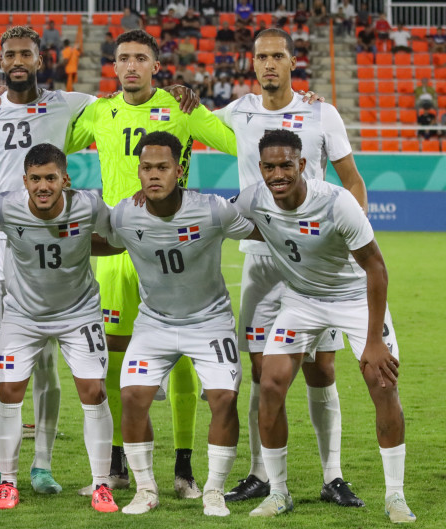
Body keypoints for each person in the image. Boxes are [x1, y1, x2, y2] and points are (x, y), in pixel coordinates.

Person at [65, 28, 238, 499]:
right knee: (116, 357)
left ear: (156, 65)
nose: (132, 66)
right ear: (114, 66)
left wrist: (289, 107)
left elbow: (237, 140)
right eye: (124, 58)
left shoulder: (182, 107)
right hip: (118, 245)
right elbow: (44, 137)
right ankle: (118, 464)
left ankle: (183, 469)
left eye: (141, 57)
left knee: (181, 354)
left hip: (172, 244)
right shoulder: (100, 111)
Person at [214, 28, 369, 507]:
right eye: (261, 57)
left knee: (322, 368)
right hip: (263, 262)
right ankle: (261, 474)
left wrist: (346, 245)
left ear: (292, 61)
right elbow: (181, 121)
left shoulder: (321, 112)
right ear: (252, 62)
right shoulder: (237, 111)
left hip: (315, 264)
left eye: (278, 56)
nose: (269, 64)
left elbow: (352, 182)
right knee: (263, 370)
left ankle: (333, 475)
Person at [233, 129, 416, 524]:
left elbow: (376, 268)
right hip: (301, 301)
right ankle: (279, 493)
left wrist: (373, 342)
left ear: (302, 165)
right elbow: (211, 215)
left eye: (286, 165)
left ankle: (395, 496)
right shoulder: (253, 199)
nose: (277, 174)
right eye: (269, 167)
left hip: (353, 300)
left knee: (382, 382)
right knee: (270, 382)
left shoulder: (337, 203)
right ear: (260, 168)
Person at [0, 26, 99, 495]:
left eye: (26, 54)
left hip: (49, 236)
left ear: (41, 59)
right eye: (10, 53)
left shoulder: (68, 102)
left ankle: (43, 464)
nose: (17, 60)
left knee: (49, 361)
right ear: (1, 60)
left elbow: (121, 106)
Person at [96, 131, 261, 516]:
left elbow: (260, 229)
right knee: (133, 397)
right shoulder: (124, 213)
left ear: (180, 170)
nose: (154, 175)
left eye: (163, 167)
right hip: (154, 323)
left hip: (209, 321)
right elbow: (100, 242)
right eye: (147, 168)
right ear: (138, 171)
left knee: (224, 398)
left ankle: (214, 491)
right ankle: (145, 489)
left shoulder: (213, 209)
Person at [0, 144, 118, 513]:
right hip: (23, 315)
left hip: (79, 312)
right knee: (8, 391)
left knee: (93, 391)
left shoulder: (89, 205)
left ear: (64, 179)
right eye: (35, 179)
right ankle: (7, 483)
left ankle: (102, 485)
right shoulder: (7, 206)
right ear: (25, 181)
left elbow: (116, 236)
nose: (42, 186)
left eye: (50, 178)